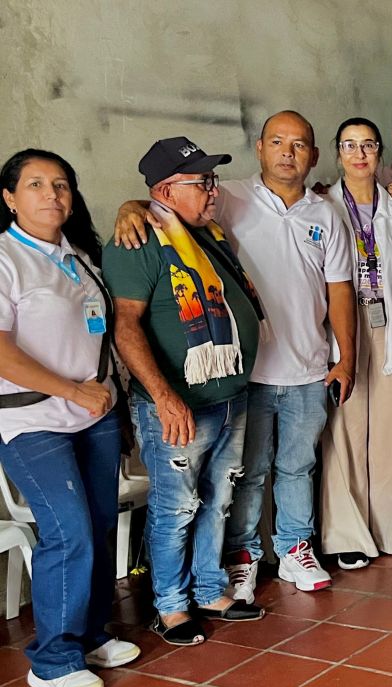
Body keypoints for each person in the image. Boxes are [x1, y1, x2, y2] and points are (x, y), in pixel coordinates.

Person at [113, 111, 356, 601]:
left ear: (313, 153)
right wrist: (129, 205)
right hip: (247, 375)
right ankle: (239, 557)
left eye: (301, 144)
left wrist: (345, 357)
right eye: (279, 142)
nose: (289, 152)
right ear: (261, 147)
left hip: (303, 366)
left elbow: (340, 290)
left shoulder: (322, 212)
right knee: (245, 474)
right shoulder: (229, 201)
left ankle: (292, 548)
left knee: (294, 466)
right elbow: (165, 210)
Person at [104, 137, 266, 648]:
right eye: (203, 183)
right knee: (177, 507)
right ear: (167, 190)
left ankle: (208, 589)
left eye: (213, 181)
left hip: (228, 394)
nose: (213, 191)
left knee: (220, 497)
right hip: (176, 404)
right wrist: (163, 395)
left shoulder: (204, 234)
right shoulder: (138, 243)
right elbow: (125, 326)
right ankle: (170, 607)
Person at [0, 149, 140, 687]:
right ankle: (53, 659)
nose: (52, 195)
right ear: (9, 197)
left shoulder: (77, 256)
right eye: (35, 184)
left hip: (93, 412)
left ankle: (88, 635)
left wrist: (99, 390)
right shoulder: (6, 258)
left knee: (101, 522)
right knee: (69, 529)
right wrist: (71, 389)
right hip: (33, 417)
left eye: (61, 184)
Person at [318, 117, 392, 570]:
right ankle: (346, 534)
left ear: (381, 152)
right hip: (343, 321)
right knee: (345, 429)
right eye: (349, 145)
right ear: (337, 152)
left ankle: (390, 529)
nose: (359, 154)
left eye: (368, 145)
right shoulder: (320, 205)